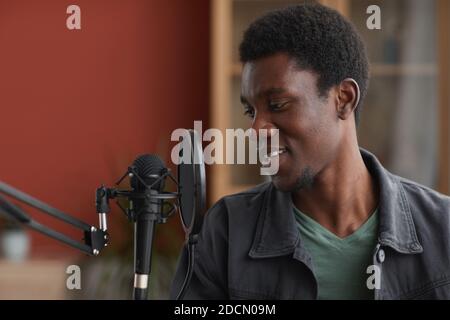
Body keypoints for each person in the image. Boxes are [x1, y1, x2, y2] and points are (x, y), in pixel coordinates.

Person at [170, 3, 450, 300]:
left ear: (343, 99)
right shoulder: (226, 231)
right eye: (251, 111)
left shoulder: (443, 229)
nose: (255, 130)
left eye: (277, 105)